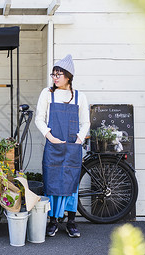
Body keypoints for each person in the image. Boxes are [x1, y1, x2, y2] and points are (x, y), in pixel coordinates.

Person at [34, 54, 90, 238]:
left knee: (71, 184)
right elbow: (39, 119)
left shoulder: (80, 97)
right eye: (54, 74)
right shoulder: (47, 94)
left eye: (59, 74)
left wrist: (79, 140)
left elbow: (86, 123)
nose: (55, 78)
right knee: (52, 182)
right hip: (53, 146)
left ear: (68, 77)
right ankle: (53, 221)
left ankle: (71, 221)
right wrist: (50, 136)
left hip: (72, 147)